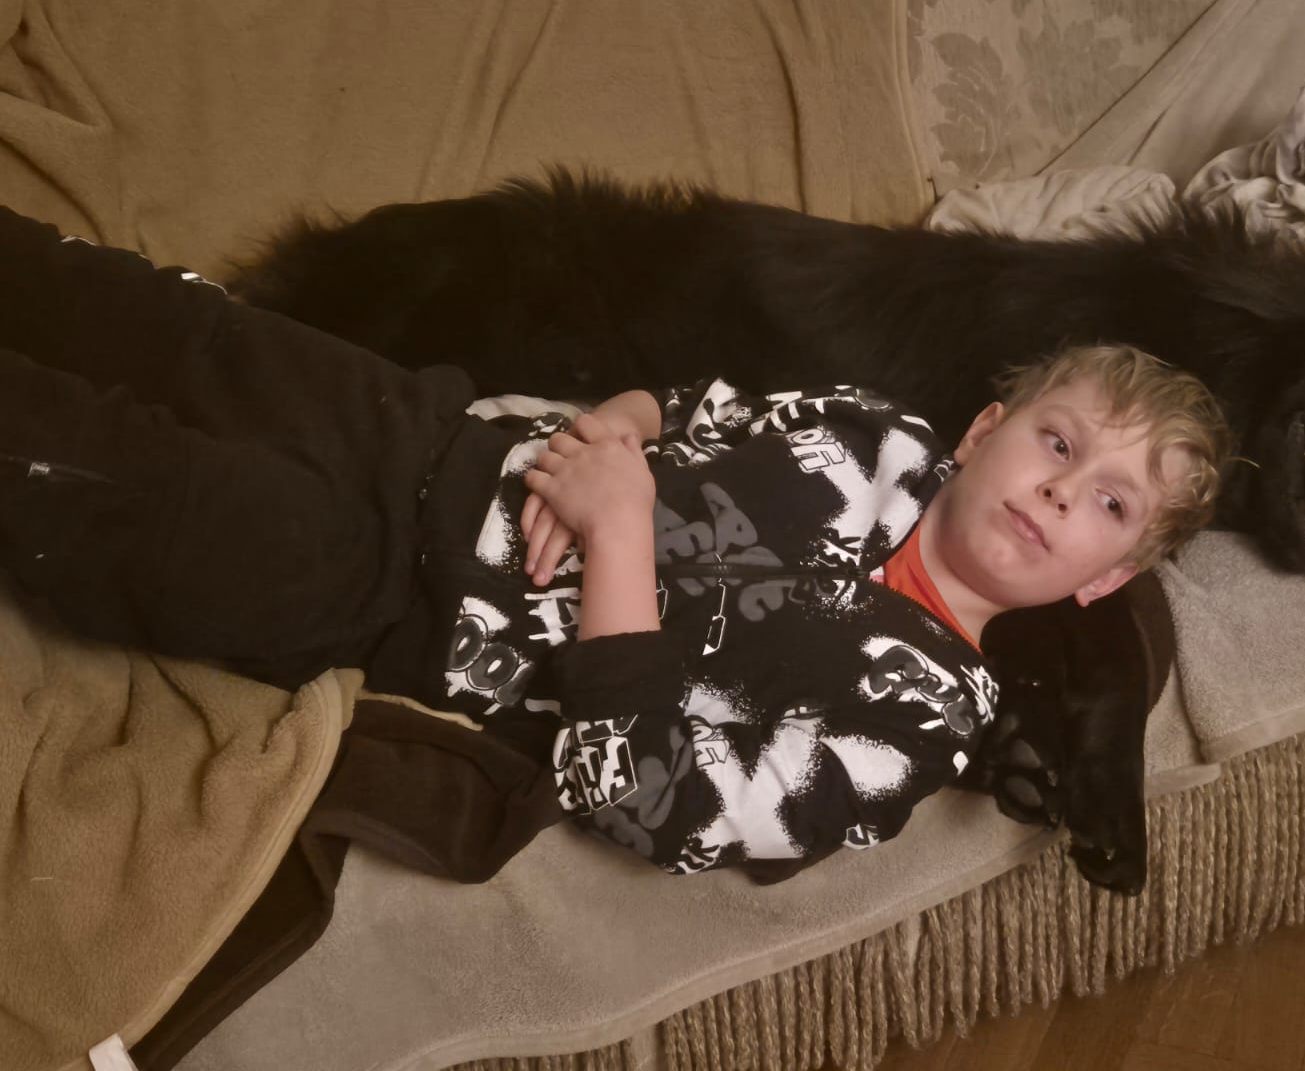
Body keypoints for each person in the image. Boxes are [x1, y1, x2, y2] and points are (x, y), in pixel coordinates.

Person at [0, 206, 1228, 879]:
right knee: (162, 323)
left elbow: (646, 800)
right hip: (427, 434)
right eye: (1058, 442)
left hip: (395, 600)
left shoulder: (915, 726)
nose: (1061, 493)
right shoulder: (881, 437)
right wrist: (620, 428)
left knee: (112, 477)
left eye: (1110, 505)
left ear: (1109, 576)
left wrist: (622, 526)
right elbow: (701, 406)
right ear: (984, 431)